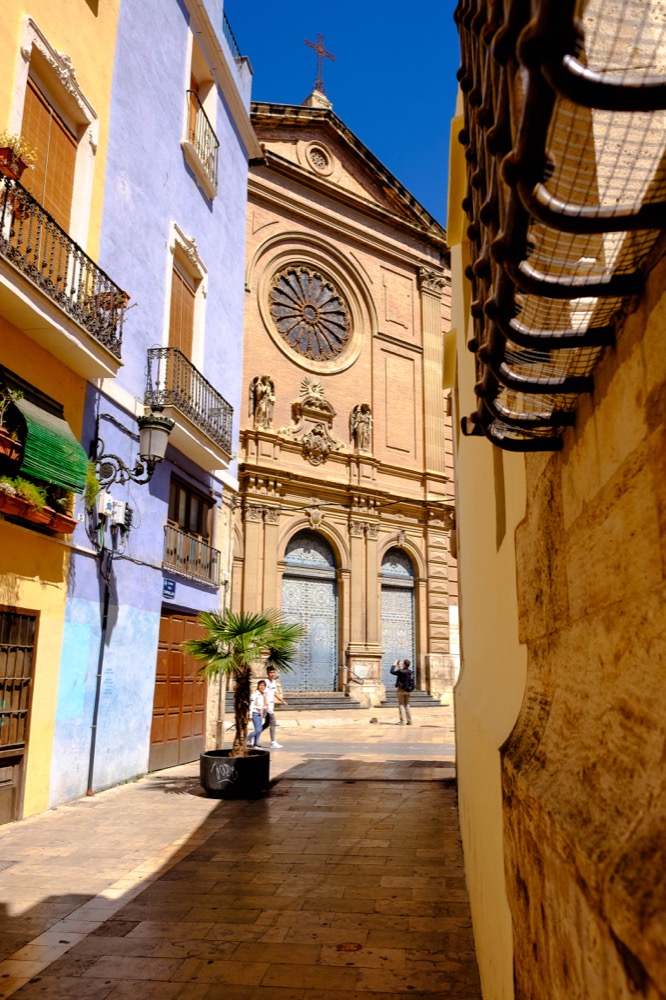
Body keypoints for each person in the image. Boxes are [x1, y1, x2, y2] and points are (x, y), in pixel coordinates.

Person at [262, 665, 288, 749]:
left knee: (266, 724)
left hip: (271, 705)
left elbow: (275, 693)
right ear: (267, 673)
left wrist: (282, 701)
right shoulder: (265, 682)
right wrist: (266, 705)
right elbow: (264, 694)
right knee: (273, 722)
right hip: (267, 706)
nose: (272, 674)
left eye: (273, 672)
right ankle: (273, 742)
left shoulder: (273, 682)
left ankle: (252, 736)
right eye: (270, 672)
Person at [390, 658, 414, 725]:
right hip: (408, 690)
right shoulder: (410, 672)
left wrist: (394, 664)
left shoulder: (401, 672)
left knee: (401, 705)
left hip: (401, 690)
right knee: (407, 705)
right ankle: (410, 721)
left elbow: (392, 671)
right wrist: (399, 666)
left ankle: (402, 721)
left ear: (404, 664)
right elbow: (402, 672)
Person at [248, 679, 267, 747]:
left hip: (260, 714)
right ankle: (247, 738)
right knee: (258, 730)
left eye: (263, 685)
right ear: (258, 686)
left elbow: (263, 704)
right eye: (260, 685)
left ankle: (256, 742)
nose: (262, 687)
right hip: (255, 713)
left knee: (259, 729)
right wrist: (250, 715)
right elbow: (251, 705)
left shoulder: (263, 694)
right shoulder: (255, 694)